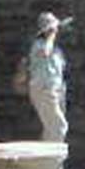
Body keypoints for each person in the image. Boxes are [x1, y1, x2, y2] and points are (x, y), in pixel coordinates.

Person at [27, 10, 71, 142]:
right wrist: (51, 34)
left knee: (51, 129)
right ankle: (52, 161)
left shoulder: (57, 51)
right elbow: (45, 52)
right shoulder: (38, 46)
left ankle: (50, 161)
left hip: (56, 90)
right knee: (58, 127)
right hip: (44, 89)